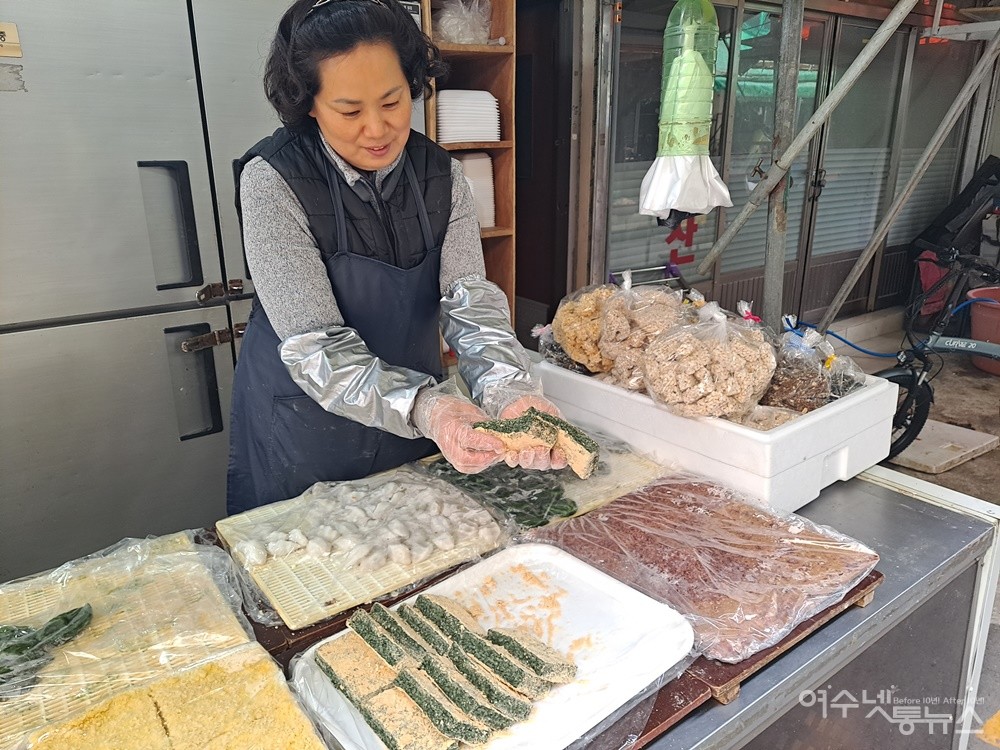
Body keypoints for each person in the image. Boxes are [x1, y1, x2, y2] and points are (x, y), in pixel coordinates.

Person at [227, 0, 565, 514]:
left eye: (392, 102)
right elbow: (314, 345)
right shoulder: (273, 181)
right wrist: (427, 406)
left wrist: (507, 390)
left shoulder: (439, 174)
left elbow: (468, 299)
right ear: (309, 103)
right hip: (307, 429)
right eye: (349, 110)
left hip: (415, 420)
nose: (377, 129)